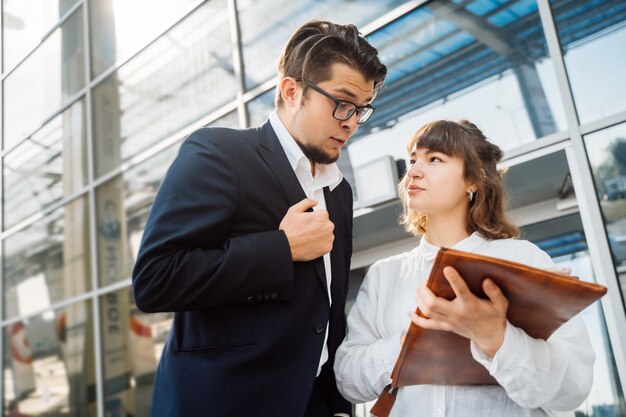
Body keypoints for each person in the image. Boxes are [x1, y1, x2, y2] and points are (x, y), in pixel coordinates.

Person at [132, 20, 387, 417]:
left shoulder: (339, 192)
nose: (351, 121)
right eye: (341, 102)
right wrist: (281, 249)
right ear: (291, 90)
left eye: (361, 110)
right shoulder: (219, 154)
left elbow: (329, 314)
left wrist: (337, 406)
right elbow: (155, 279)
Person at [334, 120, 595, 417]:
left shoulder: (521, 258)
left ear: (473, 180)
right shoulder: (384, 275)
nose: (414, 172)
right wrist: (411, 340)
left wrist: (496, 338)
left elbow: (574, 386)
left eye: (435, 159)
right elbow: (347, 381)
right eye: (412, 160)